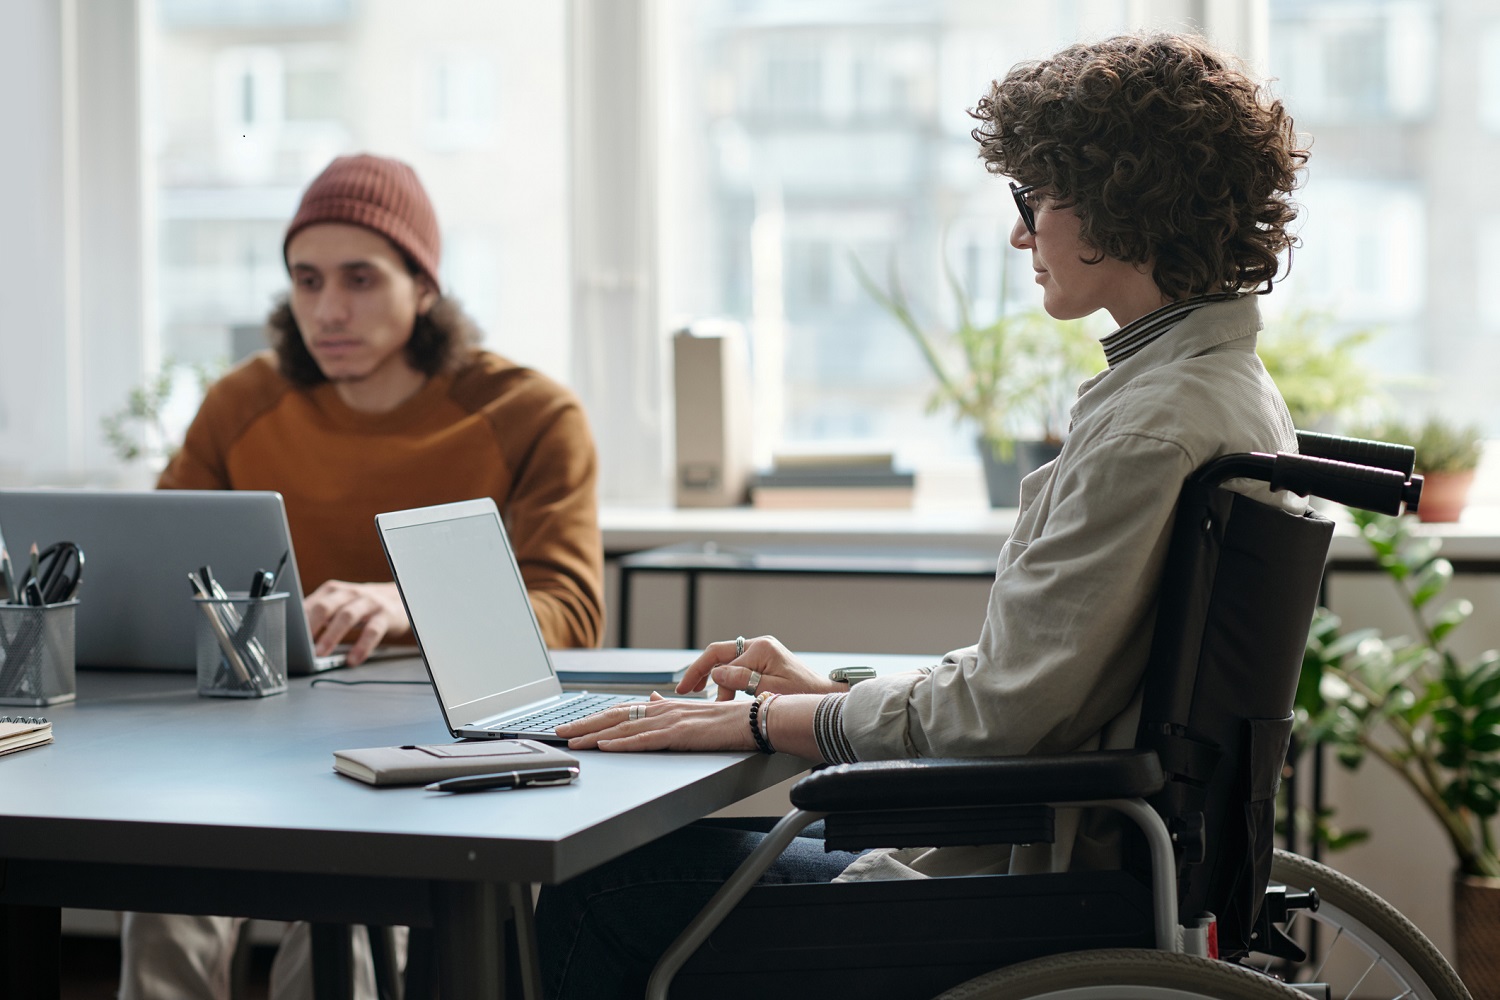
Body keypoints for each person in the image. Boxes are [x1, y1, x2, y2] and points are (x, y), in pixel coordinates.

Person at [535, 31, 1311, 999]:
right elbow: (1039, 684)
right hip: (1100, 862)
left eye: (1033, 201)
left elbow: (1002, 712)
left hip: (1031, 888)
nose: (1021, 236)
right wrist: (829, 691)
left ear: (1120, 204)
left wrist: (768, 720)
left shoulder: (1154, 427)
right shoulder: (1216, 391)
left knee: (598, 893)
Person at [122, 154, 604, 1000]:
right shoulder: (243, 402)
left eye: (360, 278)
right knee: (157, 891)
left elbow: (569, 613)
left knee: (342, 931)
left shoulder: (531, 414)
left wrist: (404, 600)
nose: (328, 310)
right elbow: (160, 568)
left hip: (428, 735)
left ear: (423, 286)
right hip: (251, 731)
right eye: (306, 281)